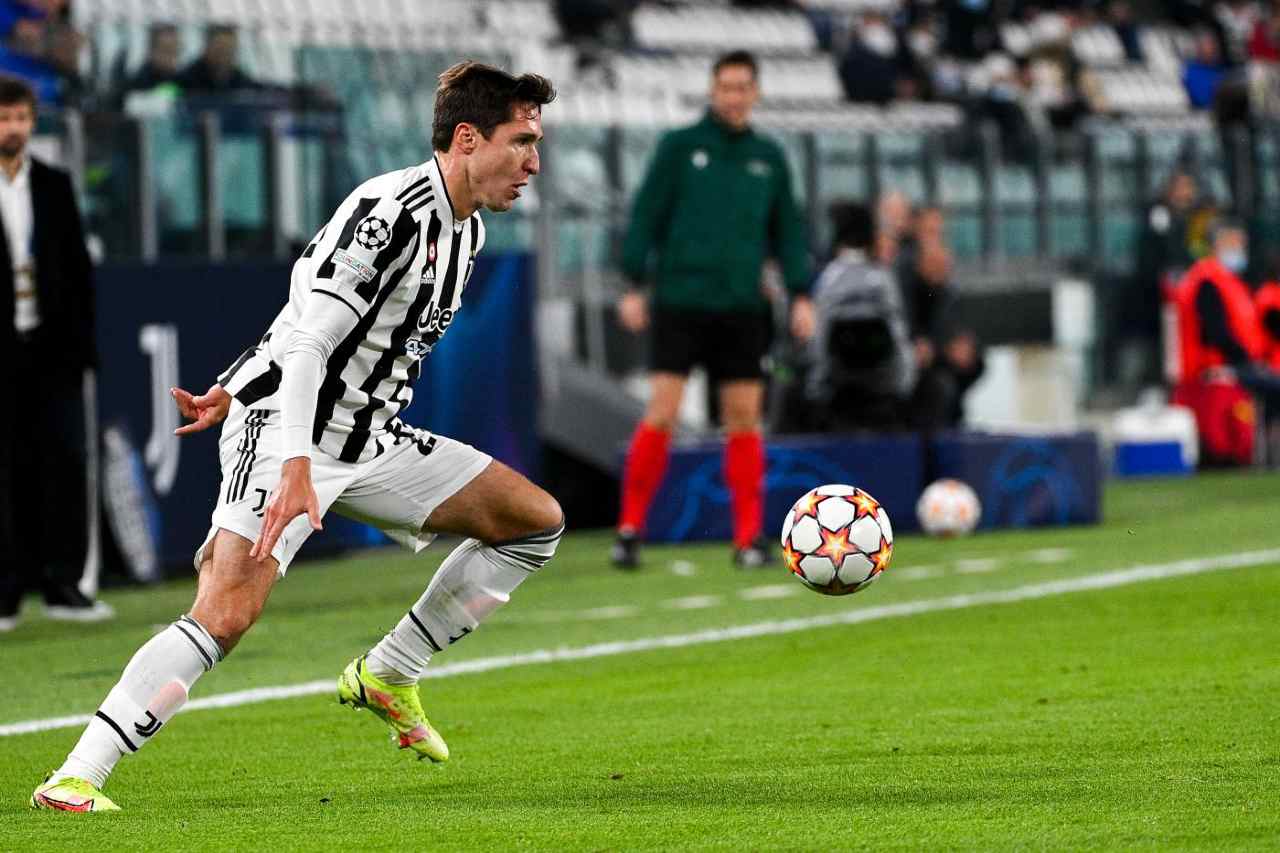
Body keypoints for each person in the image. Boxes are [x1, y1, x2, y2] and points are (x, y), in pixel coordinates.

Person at [32, 61, 564, 812]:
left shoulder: (466, 231)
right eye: (522, 141)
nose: (535, 162)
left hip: (369, 439)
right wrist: (291, 457)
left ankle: (389, 672)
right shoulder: (389, 215)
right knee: (225, 612)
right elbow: (311, 341)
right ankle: (75, 776)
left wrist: (233, 379)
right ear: (469, 138)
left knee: (533, 522)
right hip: (288, 429)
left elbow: (303, 315)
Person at [612, 50, 813, 569]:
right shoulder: (679, 147)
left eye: (743, 87)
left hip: (742, 306)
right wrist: (632, 282)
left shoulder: (769, 157)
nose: (734, 96)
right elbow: (646, 215)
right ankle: (630, 530)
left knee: (744, 419)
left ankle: (747, 539)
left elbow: (788, 231)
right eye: (726, 87)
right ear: (712, 90)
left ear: (755, 92)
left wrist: (801, 293)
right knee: (663, 412)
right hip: (679, 301)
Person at [0, 75, 108, 633]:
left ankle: (65, 585)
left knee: (65, 462)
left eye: (20, 118)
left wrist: (82, 347)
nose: (13, 129)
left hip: (53, 349)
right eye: (3, 119)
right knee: (5, 470)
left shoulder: (53, 184)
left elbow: (77, 271)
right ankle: (5, 593)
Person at [806, 201, 915, 431]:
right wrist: (904, 385)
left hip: (839, 393)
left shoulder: (829, 279)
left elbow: (819, 339)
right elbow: (899, 333)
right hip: (882, 391)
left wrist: (816, 389)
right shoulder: (883, 278)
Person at [177, 24, 261, 95]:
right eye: (221, 49)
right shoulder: (186, 80)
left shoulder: (239, 79)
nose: (225, 55)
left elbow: (256, 89)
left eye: (230, 50)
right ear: (208, 48)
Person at [118, 23, 181, 101]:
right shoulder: (137, 85)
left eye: (176, 51)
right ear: (152, 50)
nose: (172, 57)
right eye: (167, 51)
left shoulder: (181, 81)